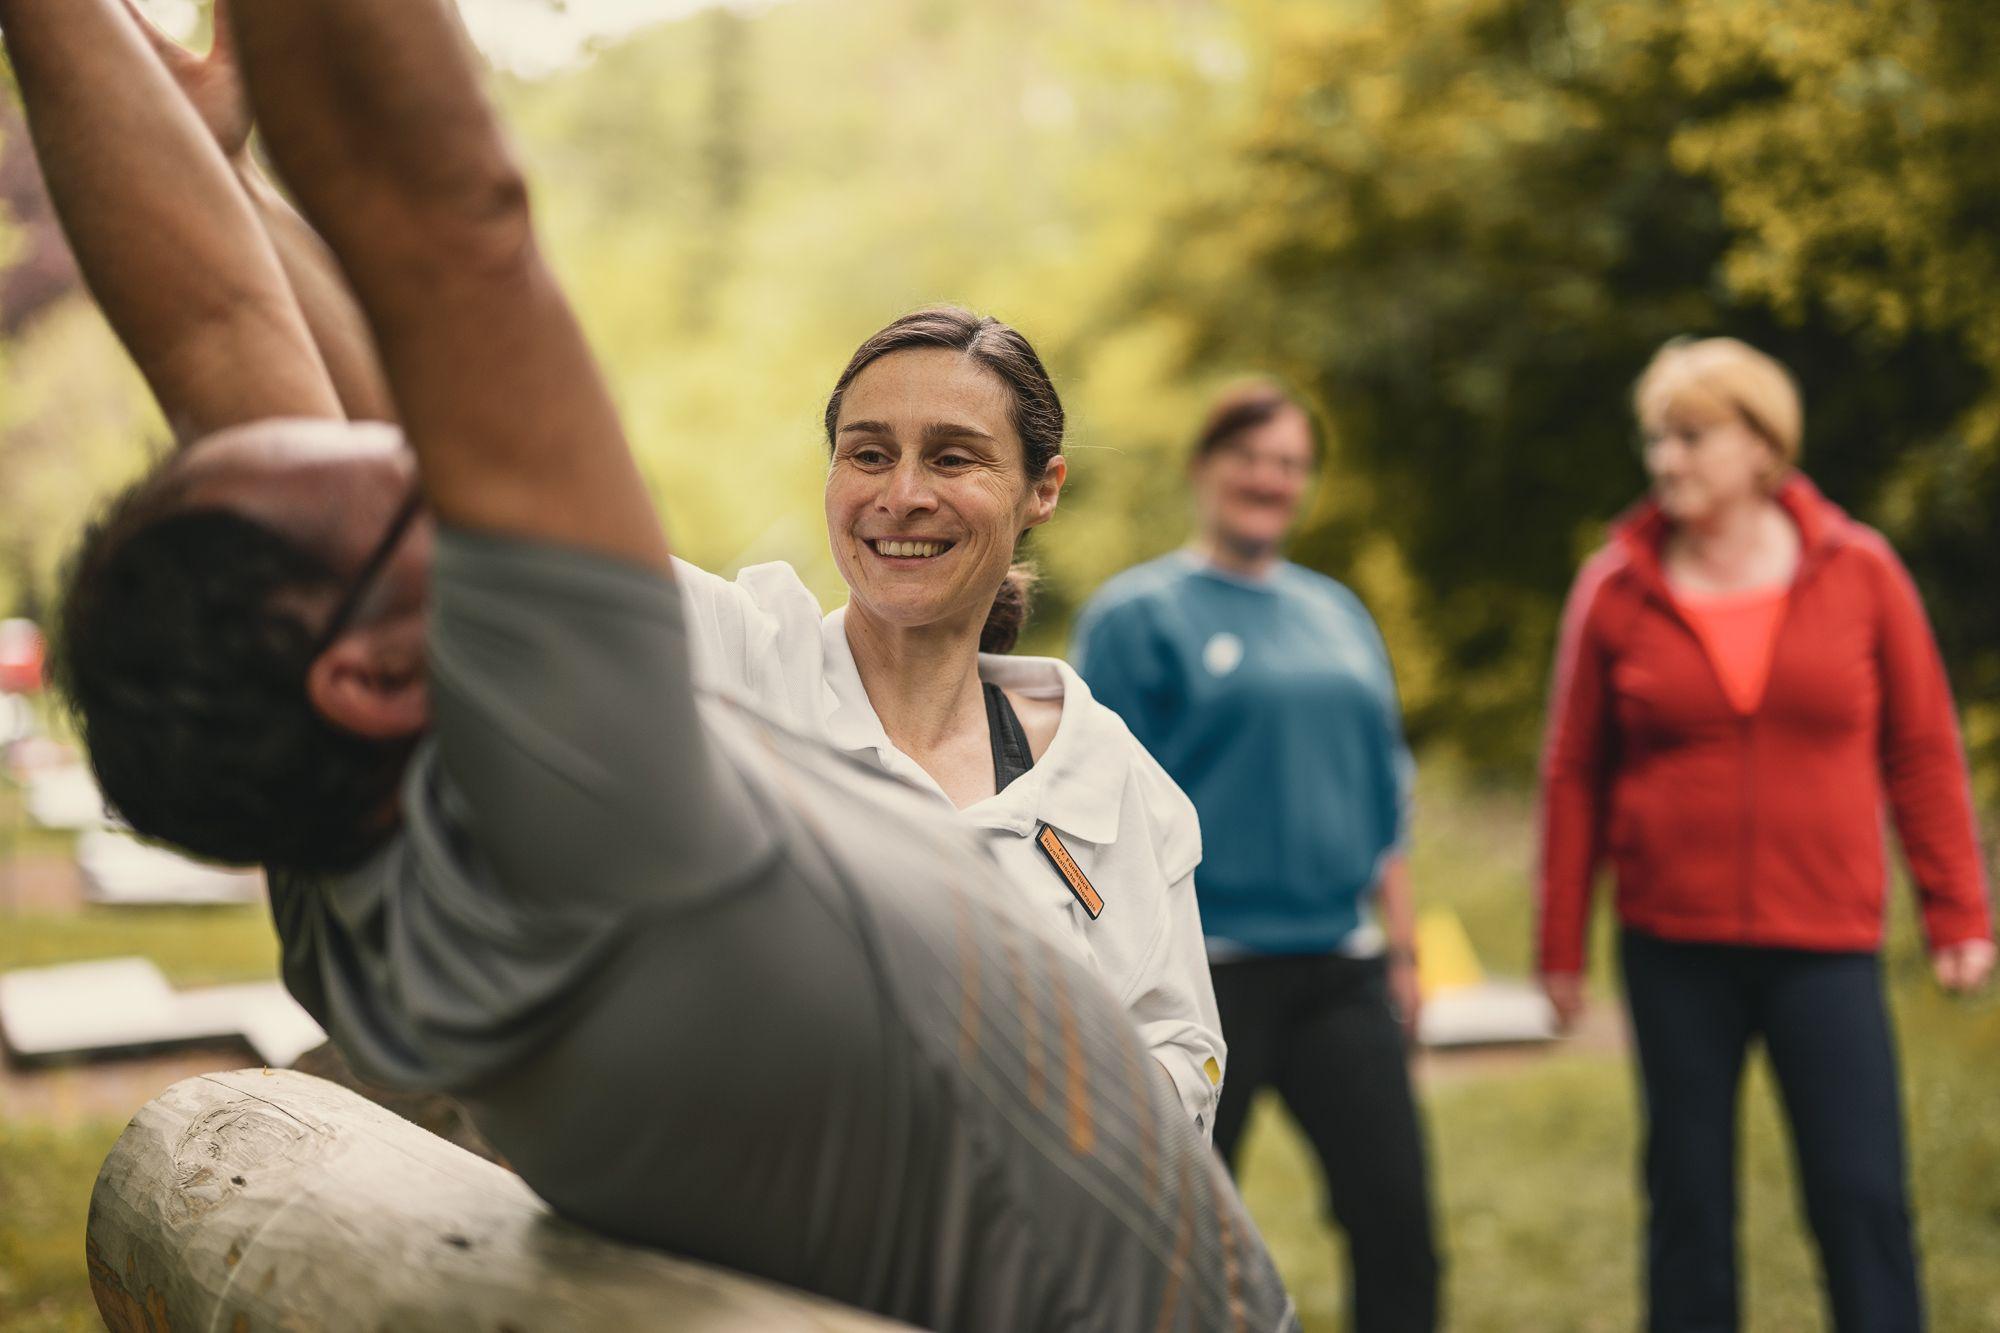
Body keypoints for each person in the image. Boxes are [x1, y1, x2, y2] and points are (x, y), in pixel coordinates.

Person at [2, 1, 1298, 1328]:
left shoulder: (359, 863)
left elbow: (217, 333)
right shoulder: (603, 797)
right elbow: (440, 216)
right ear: (375, 676)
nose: (416, 459)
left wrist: (186, 138)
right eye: (392, 489)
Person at [1537, 336, 1995, 1333]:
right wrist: (1559, 943)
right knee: (1689, 1204)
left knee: (1860, 1193)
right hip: (1672, 944)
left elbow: (1921, 748)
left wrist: (1957, 910)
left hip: (1824, 941)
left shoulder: (1859, 570)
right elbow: (1573, 776)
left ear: (1760, 443)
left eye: (1691, 436)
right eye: (1655, 438)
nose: (1665, 460)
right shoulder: (1614, 586)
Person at [1072, 381, 1441, 1333]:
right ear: (1205, 467)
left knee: (1397, 1223)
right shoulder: (1137, 614)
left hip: (1340, 968)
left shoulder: (1338, 613)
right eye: (1249, 457)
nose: (1269, 478)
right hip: (1202, 975)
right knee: (1176, 1236)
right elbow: (1089, 808)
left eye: (1290, 463)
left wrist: (1403, 951)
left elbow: (1385, 794)